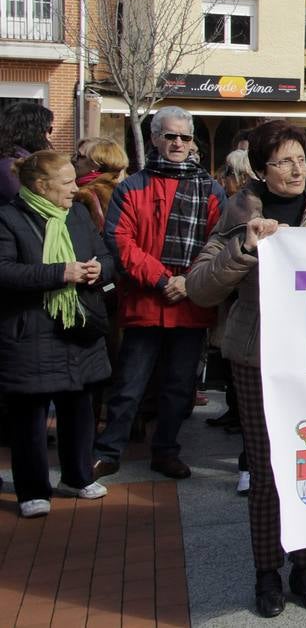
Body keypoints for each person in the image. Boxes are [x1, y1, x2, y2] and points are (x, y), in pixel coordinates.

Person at [186, 121, 306, 616]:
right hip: (258, 357)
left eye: (301, 158)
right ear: (260, 169)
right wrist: (245, 249)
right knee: (266, 469)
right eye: (283, 161)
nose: (297, 169)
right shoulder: (238, 212)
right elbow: (200, 286)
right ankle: (266, 573)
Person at [94, 107, 225, 482]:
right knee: (128, 387)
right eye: (170, 136)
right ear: (154, 139)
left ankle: (166, 451)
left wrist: (188, 282)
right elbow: (119, 242)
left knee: (179, 390)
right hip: (146, 302)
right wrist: (164, 279)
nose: (178, 143)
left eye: (185, 137)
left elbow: (217, 242)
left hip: (190, 304)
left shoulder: (211, 188)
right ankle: (109, 451)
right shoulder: (131, 186)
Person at [0, 150, 114, 517]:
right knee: (30, 417)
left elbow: (106, 256)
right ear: (40, 185)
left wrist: (100, 271)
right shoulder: (7, 218)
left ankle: (77, 477)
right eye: (66, 183)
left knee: (80, 408)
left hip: (78, 328)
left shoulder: (78, 214)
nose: (74, 188)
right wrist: (58, 273)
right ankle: (33, 490)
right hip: (29, 330)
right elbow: (5, 272)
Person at [0, 101, 55, 205]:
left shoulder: (17, 158)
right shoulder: (11, 167)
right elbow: (33, 205)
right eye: (49, 129)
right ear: (35, 131)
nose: (49, 136)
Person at [74, 139, 129, 232]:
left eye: (80, 156)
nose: (74, 159)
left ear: (96, 165)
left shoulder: (86, 194)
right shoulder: (120, 190)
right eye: (75, 155)